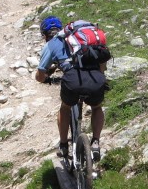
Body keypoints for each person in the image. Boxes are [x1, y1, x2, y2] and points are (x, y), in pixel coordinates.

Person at [35, 15, 107, 161]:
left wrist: (48, 79)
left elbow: (40, 76)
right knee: (97, 107)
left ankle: (63, 145)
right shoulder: (85, 41)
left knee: (65, 107)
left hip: (72, 81)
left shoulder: (52, 44)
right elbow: (102, 67)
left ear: (44, 35)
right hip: (95, 78)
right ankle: (95, 142)